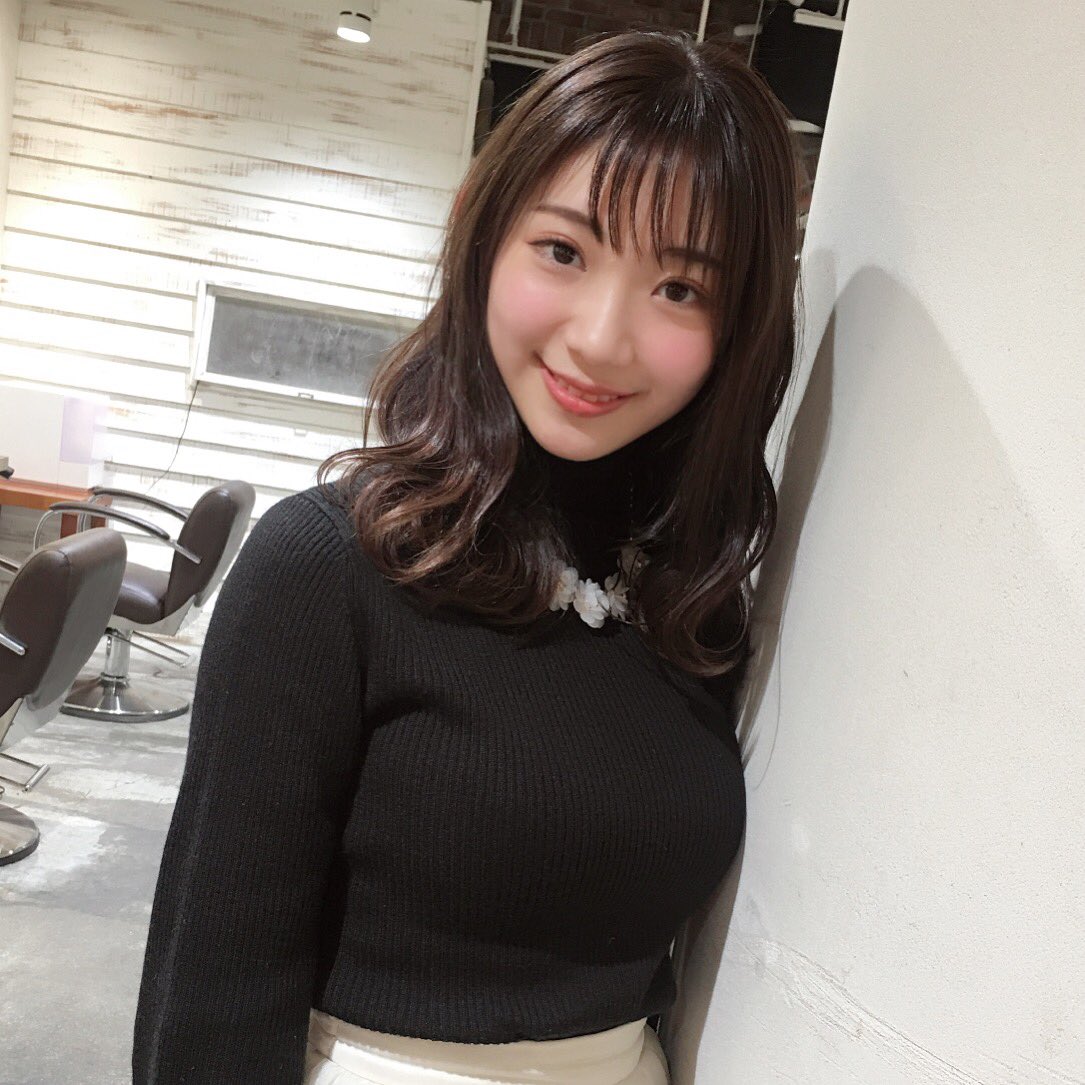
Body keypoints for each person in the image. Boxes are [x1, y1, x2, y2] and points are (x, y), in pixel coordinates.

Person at [132, 27, 801, 1085]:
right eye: (564, 251)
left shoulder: (686, 603)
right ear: (483, 238)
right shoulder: (327, 566)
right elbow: (211, 990)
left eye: (679, 288)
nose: (601, 338)